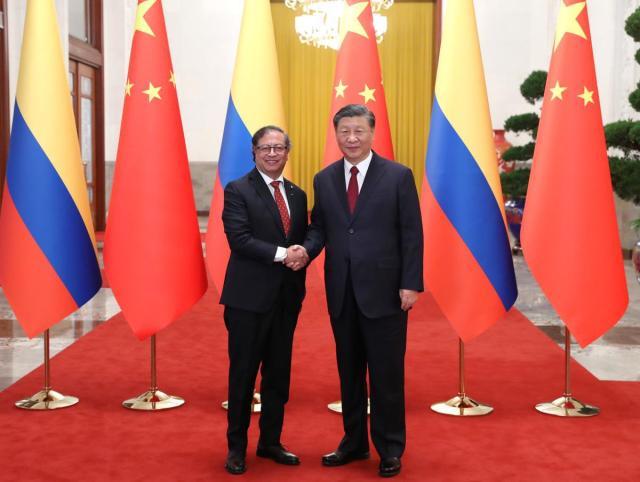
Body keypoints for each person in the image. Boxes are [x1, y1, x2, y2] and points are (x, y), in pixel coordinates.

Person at [294, 104, 423, 478]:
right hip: (342, 291)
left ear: (372, 133)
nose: (351, 138)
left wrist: (411, 283)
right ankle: (353, 442)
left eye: (358, 131)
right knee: (349, 372)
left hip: (386, 291)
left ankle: (390, 448)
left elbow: (412, 234)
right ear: (335, 135)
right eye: (344, 132)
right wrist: (306, 248)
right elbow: (320, 226)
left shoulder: (398, 176)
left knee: (386, 375)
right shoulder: (325, 178)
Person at [220, 125, 309, 475]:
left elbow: (307, 236)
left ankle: (271, 441)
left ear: (288, 152)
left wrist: (303, 251)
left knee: (278, 377)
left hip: (286, 299)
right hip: (247, 300)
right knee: (243, 377)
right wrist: (285, 253)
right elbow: (239, 239)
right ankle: (236, 449)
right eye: (265, 148)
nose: (272, 154)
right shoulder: (238, 189)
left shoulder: (298, 194)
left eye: (278, 148)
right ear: (253, 152)